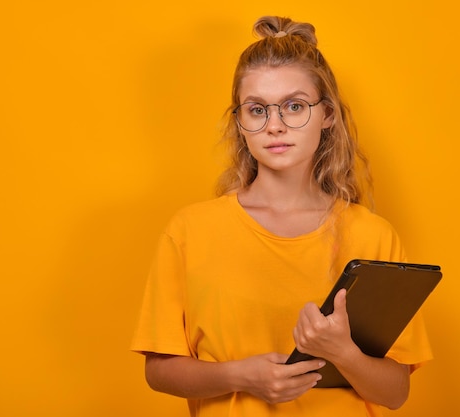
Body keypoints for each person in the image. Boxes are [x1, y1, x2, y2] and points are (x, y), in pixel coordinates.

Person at [131, 15, 433, 417]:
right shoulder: (189, 230)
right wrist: (241, 376)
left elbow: (395, 393)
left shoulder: (373, 235)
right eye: (257, 110)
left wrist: (343, 352)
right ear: (240, 122)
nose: (275, 126)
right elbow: (159, 371)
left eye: (294, 106)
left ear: (327, 115)